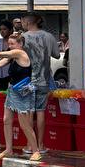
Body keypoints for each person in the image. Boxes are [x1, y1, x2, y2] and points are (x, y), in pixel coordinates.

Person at [0, 33, 38, 160]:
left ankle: (36, 151)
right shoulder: (12, 56)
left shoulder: (21, 54)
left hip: (23, 92)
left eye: (12, 44)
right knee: (6, 120)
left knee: (24, 124)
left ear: (20, 44)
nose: (10, 46)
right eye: (9, 44)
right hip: (12, 90)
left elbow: (1, 54)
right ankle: (8, 149)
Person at [22, 13, 60, 155]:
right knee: (40, 112)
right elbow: (57, 55)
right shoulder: (49, 36)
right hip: (44, 80)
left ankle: (29, 145)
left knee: (29, 112)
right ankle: (41, 145)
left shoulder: (23, 37)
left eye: (23, 21)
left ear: (28, 22)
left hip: (27, 81)